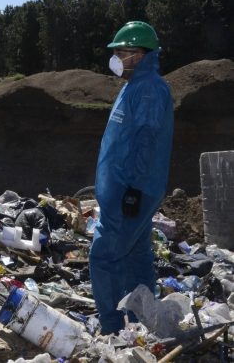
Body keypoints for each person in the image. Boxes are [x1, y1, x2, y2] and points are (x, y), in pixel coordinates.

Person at [89, 21, 174, 334]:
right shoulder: (136, 85)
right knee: (137, 256)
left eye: (121, 52)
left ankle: (112, 328)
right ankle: (144, 322)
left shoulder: (150, 89)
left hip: (131, 190)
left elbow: (147, 142)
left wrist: (134, 189)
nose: (116, 58)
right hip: (125, 188)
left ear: (138, 54)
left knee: (103, 256)